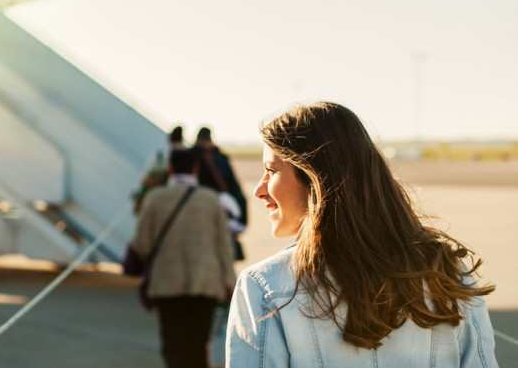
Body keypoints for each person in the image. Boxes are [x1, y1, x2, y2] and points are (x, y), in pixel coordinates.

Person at [226, 101, 497, 367]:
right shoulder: (448, 274)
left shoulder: (266, 287)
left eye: (271, 170)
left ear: (316, 176)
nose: (259, 190)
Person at [130, 148, 236, 368]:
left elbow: (142, 244)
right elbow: (224, 246)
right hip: (205, 282)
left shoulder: (155, 199)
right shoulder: (211, 199)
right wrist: (229, 282)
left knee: (173, 343)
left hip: (167, 283)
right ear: (195, 169)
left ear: (170, 169)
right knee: (197, 344)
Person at [193, 127, 248, 260]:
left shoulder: (191, 158)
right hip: (222, 214)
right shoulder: (220, 159)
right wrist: (241, 221)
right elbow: (236, 190)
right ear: (210, 139)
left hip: (197, 214)